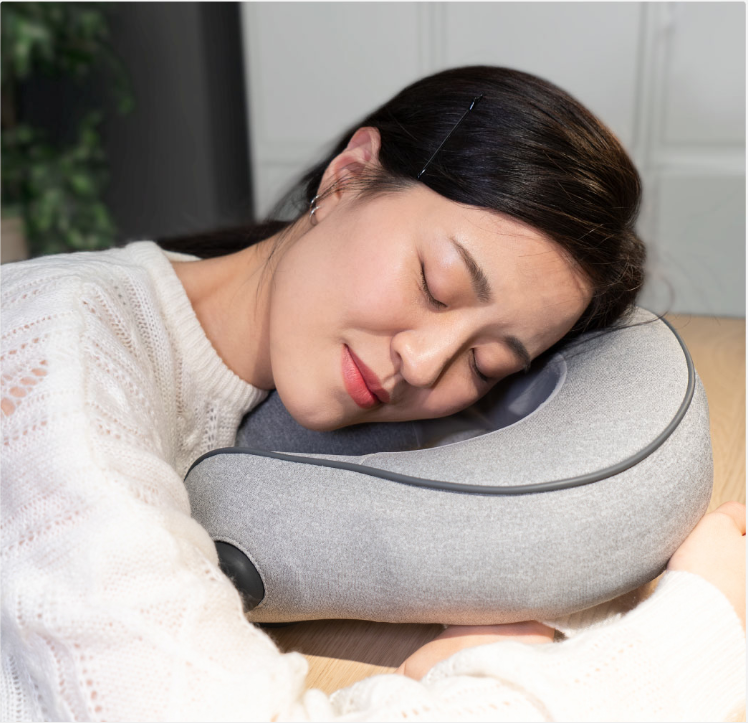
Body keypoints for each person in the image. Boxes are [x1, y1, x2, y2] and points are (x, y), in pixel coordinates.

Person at [1, 65, 743, 721]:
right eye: (435, 285)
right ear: (348, 175)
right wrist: (701, 631)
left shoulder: (244, 389)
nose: (423, 363)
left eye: (484, 363)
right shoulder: (59, 363)